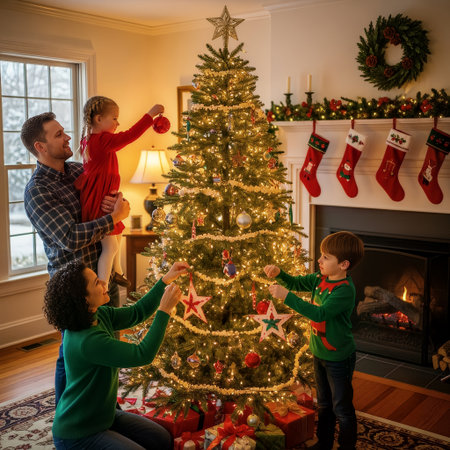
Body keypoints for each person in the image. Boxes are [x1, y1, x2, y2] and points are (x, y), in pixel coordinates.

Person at [22, 111, 130, 404]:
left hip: (102, 275)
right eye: (58, 135)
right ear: (40, 147)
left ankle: (106, 408)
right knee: (71, 355)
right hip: (73, 285)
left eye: (64, 131)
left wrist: (117, 202)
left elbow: (108, 195)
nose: (68, 137)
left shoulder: (78, 171)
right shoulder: (37, 191)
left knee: (109, 344)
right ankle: (67, 415)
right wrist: (113, 220)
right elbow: (69, 238)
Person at [43, 259, 189, 449]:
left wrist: (165, 280)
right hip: (78, 433)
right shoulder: (88, 341)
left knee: (160, 438)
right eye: (96, 283)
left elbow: (137, 312)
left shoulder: (97, 314)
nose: (104, 283)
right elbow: (142, 354)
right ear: (84, 298)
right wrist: (164, 310)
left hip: (104, 416)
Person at [264, 231, 364, 450]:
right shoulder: (320, 279)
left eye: (326, 257)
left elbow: (320, 314)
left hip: (339, 357)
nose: (319, 260)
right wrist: (279, 273)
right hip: (319, 353)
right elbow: (295, 282)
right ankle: (324, 442)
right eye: (321, 255)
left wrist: (286, 297)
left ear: (344, 264)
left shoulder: (344, 291)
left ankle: (347, 447)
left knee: (342, 408)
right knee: (325, 404)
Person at [75, 96, 164, 287]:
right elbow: (130, 135)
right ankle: (104, 286)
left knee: (118, 234)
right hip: (100, 201)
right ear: (99, 119)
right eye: (114, 118)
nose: (118, 123)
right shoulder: (102, 141)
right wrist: (150, 116)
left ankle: (118, 272)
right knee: (111, 245)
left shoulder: (91, 140)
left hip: (103, 196)